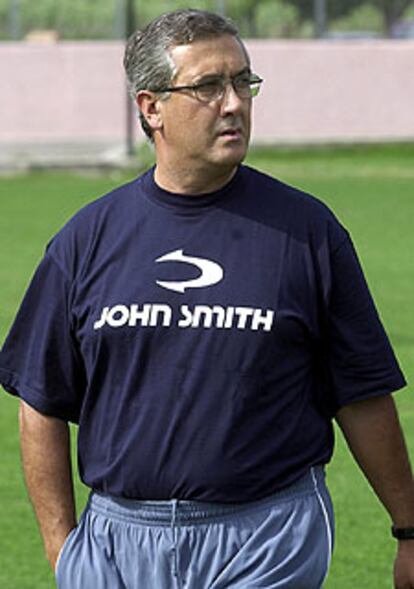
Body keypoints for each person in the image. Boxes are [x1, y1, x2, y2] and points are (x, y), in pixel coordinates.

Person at [0, 8, 413, 589]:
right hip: (118, 540)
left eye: (243, 81)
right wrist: (64, 552)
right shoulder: (86, 240)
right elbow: (41, 402)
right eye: (208, 86)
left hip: (266, 533)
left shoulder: (308, 233)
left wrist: (408, 530)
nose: (234, 103)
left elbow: (362, 393)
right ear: (151, 108)